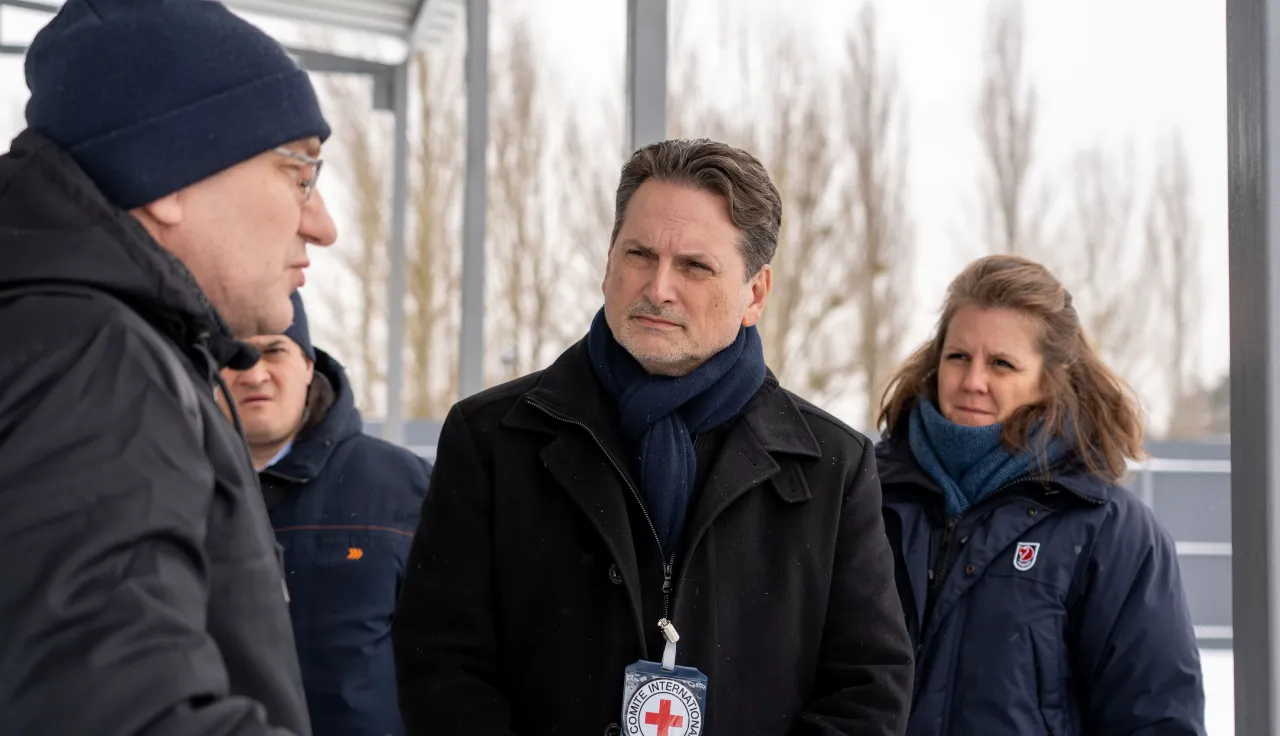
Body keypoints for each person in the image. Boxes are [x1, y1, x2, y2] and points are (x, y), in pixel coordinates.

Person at [393, 138, 914, 735]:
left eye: (694, 265)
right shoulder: (490, 440)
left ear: (756, 293)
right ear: (608, 261)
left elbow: (868, 687)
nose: (658, 287)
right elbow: (439, 662)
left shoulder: (832, 466)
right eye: (639, 254)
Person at [0, 0, 338, 733]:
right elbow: (124, 714)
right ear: (165, 176)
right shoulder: (97, 362)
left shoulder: (58, 336)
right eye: (299, 171)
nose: (322, 224)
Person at [876, 255, 1205, 735]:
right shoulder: (865, 500)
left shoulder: (1110, 531)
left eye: (1002, 364)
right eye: (958, 357)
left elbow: (1155, 720)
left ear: (1052, 379)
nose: (973, 382)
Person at [218, 291, 431, 736]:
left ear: (309, 364)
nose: (254, 373)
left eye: (274, 350)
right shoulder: (172, 487)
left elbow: (466, 654)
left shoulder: (405, 487)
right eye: (235, 354)